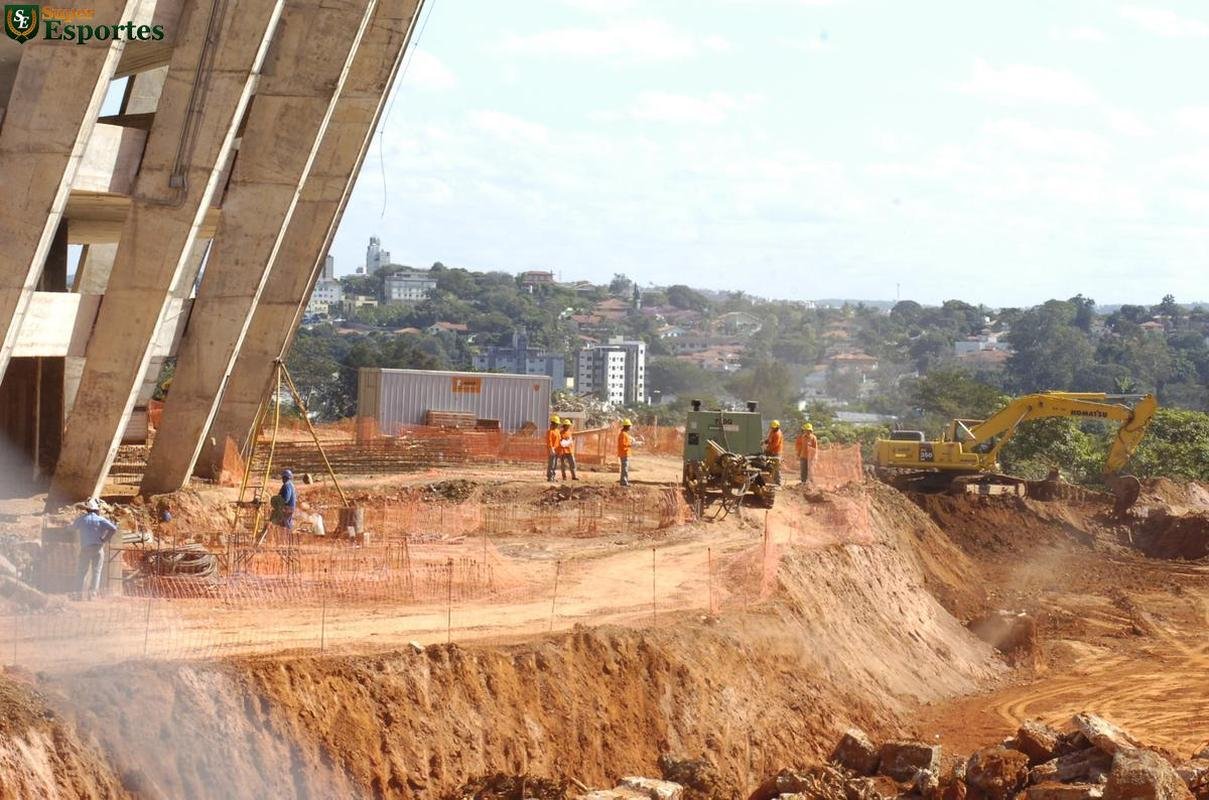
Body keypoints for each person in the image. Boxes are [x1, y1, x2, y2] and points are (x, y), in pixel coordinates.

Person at [74, 498, 117, 600]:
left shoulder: (82, 519)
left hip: (85, 548)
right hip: (98, 548)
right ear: (96, 510)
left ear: (87, 509)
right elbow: (114, 528)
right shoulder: (100, 519)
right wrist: (105, 539)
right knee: (96, 572)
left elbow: (71, 528)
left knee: (81, 571)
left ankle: (79, 594)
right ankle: (92, 595)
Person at [763, 419, 784, 484]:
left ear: (777, 427)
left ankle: (778, 482)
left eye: (774, 427)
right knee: (768, 465)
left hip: (776, 452)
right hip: (771, 451)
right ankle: (769, 479)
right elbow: (770, 440)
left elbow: (775, 444)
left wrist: (768, 449)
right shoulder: (772, 432)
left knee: (776, 467)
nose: (772, 428)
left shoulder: (778, 434)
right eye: (772, 427)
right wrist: (765, 441)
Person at [617, 419, 634, 486]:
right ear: (627, 426)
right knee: (625, 468)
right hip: (624, 453)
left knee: (625, 468)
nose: (630, 427)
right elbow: (623, 444)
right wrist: (630, 444)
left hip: (624, 453)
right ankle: (624, 482)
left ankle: (624, 482)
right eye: (630, 426)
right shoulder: (623, 434)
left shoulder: (624, 434)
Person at [546, 416, 561, 482]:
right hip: (552, 450)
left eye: (557, 424)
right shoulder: (550, 432)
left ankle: (553, 476)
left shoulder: (557, 431)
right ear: (553, 423)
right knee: (551, 464)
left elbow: (559, 440)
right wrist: (551, 448)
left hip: (557, 450)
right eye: (556, 424)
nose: (557, 425)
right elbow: (549, 441)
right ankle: (550, 477)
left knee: (555, 464)